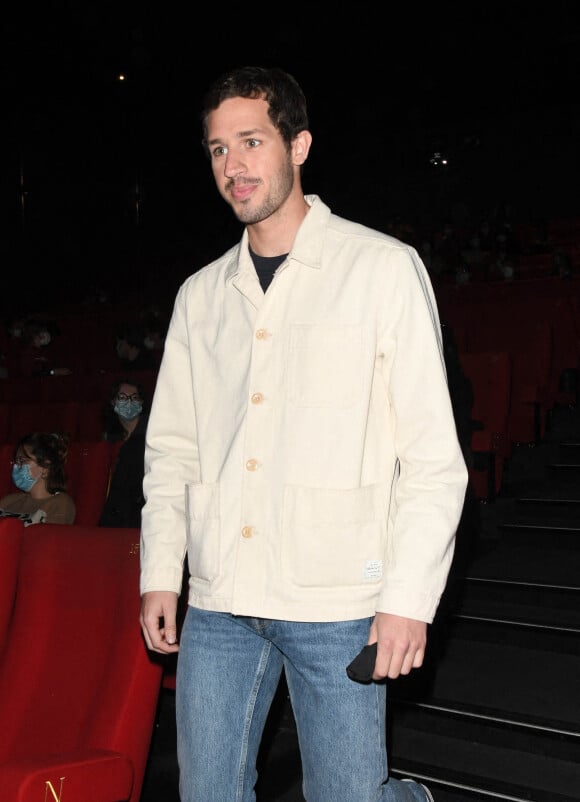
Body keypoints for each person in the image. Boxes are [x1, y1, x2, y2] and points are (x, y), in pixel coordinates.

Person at [139, 66, 468, 802]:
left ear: (300, 145)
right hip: (221, 598)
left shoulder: (382, 268)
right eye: (218, 149)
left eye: (252, 142)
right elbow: (173, 450)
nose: (234, 166)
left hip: (337, 601)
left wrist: (409, 598)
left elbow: (431, 458)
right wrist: (162, 570)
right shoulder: (201, 296)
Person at [98, 378, 148, 528]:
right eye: (123, 397)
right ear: (113, 402)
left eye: (134, 397)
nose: (129, 402)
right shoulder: (110, 436)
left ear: (141, 402)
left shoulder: (152, 432)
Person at [0, 432, 76, 525]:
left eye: (22, 460)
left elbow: (51, 537)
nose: (16, 467)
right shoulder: (10, 500)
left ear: (45, 467)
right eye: (15, 461)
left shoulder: (60, 503)